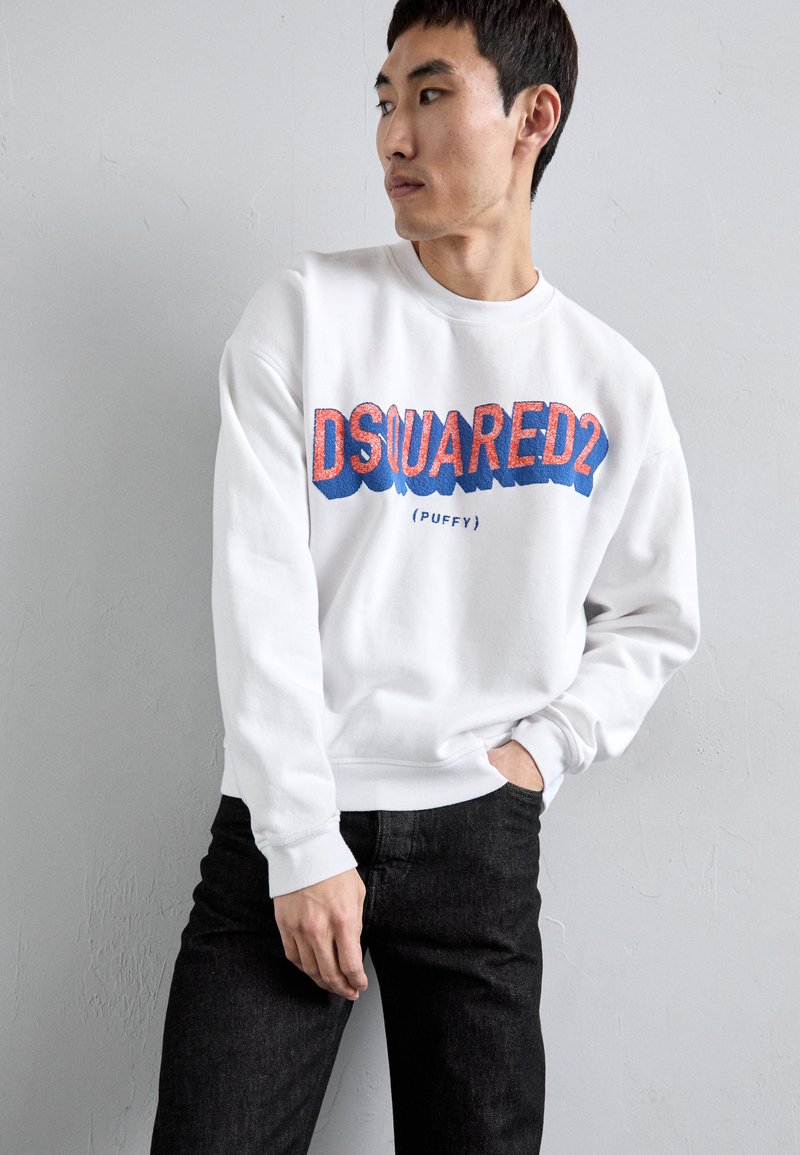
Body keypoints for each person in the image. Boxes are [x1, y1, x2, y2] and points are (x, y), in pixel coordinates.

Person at [150, 1, 701, 1151]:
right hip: (286, 818)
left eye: (432, 94)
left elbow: (652, 619)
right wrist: (300, 842)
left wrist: (539, 756)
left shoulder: (609, 383)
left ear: (532, 117)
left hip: (478, 841)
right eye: (384, 100)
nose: (392, 136)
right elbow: (257, 590)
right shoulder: (304, 316)